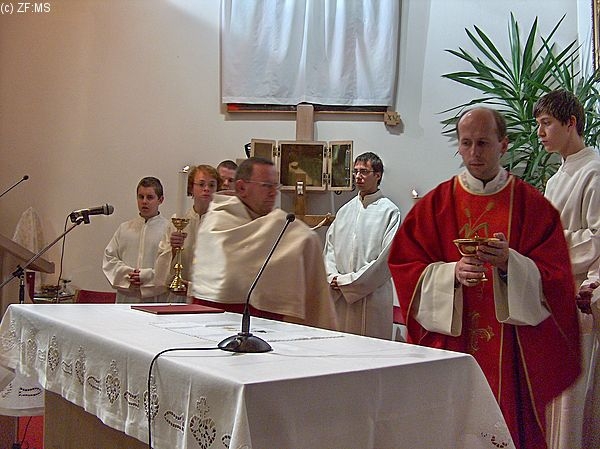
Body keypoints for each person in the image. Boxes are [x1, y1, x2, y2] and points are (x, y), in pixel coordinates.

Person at [388, 107, 581, 449]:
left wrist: (510, 264)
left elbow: (556, 279)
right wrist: (451, 273)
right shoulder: (435, 205)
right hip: (453, 345)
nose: (474, 152)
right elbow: (405, 265)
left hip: (512, 354)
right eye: (466, 143)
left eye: (483, 143)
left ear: (503, 144)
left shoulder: (532, 206)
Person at [190, 157, 337, 330]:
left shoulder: (285, 229)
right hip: (217, 325)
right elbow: (231, 276)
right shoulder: (216, 224)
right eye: (267, 186)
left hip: (274, 330)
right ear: (241, 187)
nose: (274, 193)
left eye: (276, 186)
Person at [534, 89, 600, 449]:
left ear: (571, 122)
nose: (540, 133)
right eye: (538, 124)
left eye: (546, 123)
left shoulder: (594, 171)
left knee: (576, 401)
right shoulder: (556, 178)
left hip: (580, 297)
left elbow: (597, 238)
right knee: (555, 398)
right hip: (554, 295)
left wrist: (552, 245)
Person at [323, 152, 400, 339]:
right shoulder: (345, 210)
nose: (358, 176)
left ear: (378, 175)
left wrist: (349, 281)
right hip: (341, 296)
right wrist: (333, 276)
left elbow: (386, 260)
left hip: (372, 297)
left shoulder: (389, 211)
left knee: (370, 350)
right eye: (355, 171)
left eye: (364, 172)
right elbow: (330, 249)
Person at [155, 165, 220, 299]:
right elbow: (161, 266)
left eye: (211, 185)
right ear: (191, 188)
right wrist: (173, 249)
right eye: (201, 184)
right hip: (178, 297)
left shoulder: (221, 222)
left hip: (207, 296)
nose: (206, 189)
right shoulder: (177, 221)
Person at [103, 176, 170, 303]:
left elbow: (169, 266)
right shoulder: (124, 228)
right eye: (141, 197)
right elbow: (109, 259)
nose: (144, 201)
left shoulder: (168, 229)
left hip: (155, 299)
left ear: (160, 200)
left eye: (150, 197)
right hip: (127, 298)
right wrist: (128, 275)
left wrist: (146, 277)